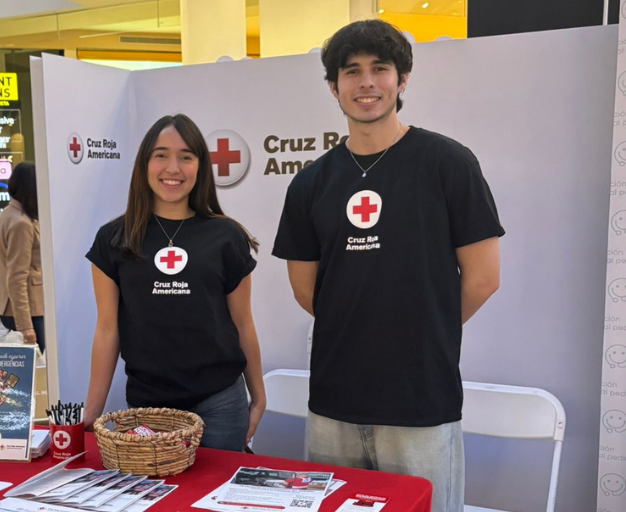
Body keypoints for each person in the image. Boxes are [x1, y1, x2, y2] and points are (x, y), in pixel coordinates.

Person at [272, 20, 504, 512]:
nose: (367, 82)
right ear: (334, 87)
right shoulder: (310, 183)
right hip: (334, 400)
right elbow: (305, 289)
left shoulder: (448, 163)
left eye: (381, 68)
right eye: (351, 71)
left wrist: (421, 331)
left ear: (402, 80)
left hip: (420, 398)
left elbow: (483, 279)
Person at [82, 114, 266, 452]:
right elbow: (107, 329)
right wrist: (90, 413)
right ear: (144, 164)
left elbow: (242, 322)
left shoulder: (226, 236)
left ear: (200, 166)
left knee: (218, 497)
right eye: (161, 155)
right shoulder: (115, 239)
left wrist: (258, 396)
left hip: (221, 401)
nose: (173, 168)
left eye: (186, 156)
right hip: (149, 405)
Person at [0, 162, 45, 352]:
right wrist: (25, 326)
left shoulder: (8, 213)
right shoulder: (21, 223)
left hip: (16, 306)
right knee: (39, 371)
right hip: (29, 310)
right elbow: (17, 276)